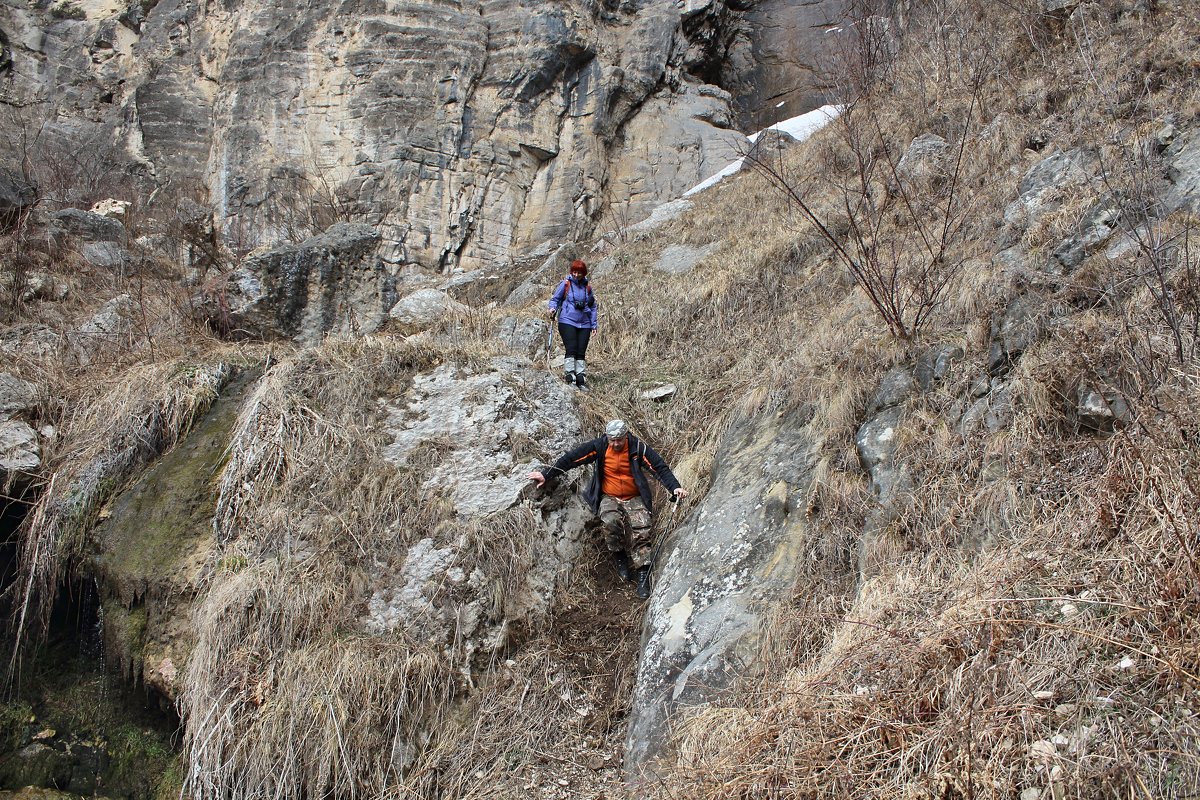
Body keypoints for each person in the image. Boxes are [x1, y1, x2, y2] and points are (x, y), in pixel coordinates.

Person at [527, 419, 688, 599]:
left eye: (619, 439)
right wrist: (546, 474)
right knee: (611, 522)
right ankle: (619, 556)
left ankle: (643, 573)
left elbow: (658, 467)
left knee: (642, 530)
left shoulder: (638, 448)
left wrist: (675, 487)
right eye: (612, 440)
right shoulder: (600, 446)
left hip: (634, 496)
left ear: (626, 436)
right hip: (609, 496)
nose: (616, 443)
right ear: (607, 437)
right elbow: (572, 458)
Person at [548, 259, 598, 390]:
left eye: (579, 273)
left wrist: (594, 325)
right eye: (574, 272)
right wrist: (552, 308)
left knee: (581, 351)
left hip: (585, 324)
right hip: (567, 321)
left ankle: (581, 378)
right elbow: (555, 299)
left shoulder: (588, 288)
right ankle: (570, 377)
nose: (576, 275)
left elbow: (593, 307)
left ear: (584, 274)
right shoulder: (566, 284)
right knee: (572, 348)